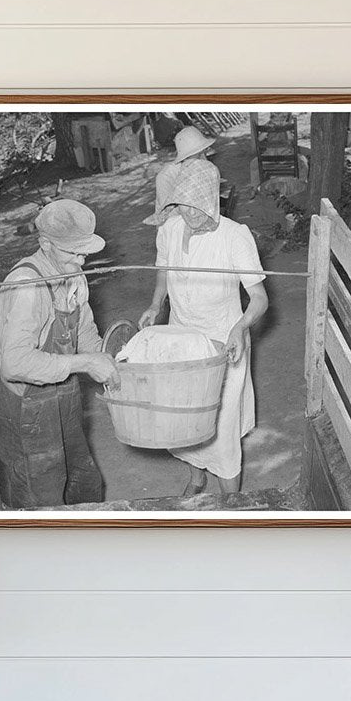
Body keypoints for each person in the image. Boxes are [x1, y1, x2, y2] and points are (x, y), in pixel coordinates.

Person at [138, 160, 268, 496]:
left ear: (212, 201)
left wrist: (241, 327)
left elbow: (259, 298)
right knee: (186, 420)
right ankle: (197, 478)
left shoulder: (234, 236)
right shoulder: (169, 229)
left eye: (198, 207)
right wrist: (156, 305)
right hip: (182, 341)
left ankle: (232, 503)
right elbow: (164, 273)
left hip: (225, 343)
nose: (190, 214)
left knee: (221, 431)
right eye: (183, 206)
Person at [0, 199, 119, 509]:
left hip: (64, 398)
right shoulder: (27, 287)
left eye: (84, 252)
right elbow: (14, 363)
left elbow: (84, 331)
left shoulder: (73, 273)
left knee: (84, 484)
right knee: (42, 500)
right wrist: (86, 363)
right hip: (27, 410)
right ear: (45, 243)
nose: (81, 260)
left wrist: (109, 359)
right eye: (73, 252)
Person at [143, 125, 216, 227]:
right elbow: (169, 216)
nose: (203, 158)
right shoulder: (166, 177)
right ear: (186, 156)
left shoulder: (199, 166)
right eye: (199, 154)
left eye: (203, 152)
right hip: (175, 225)